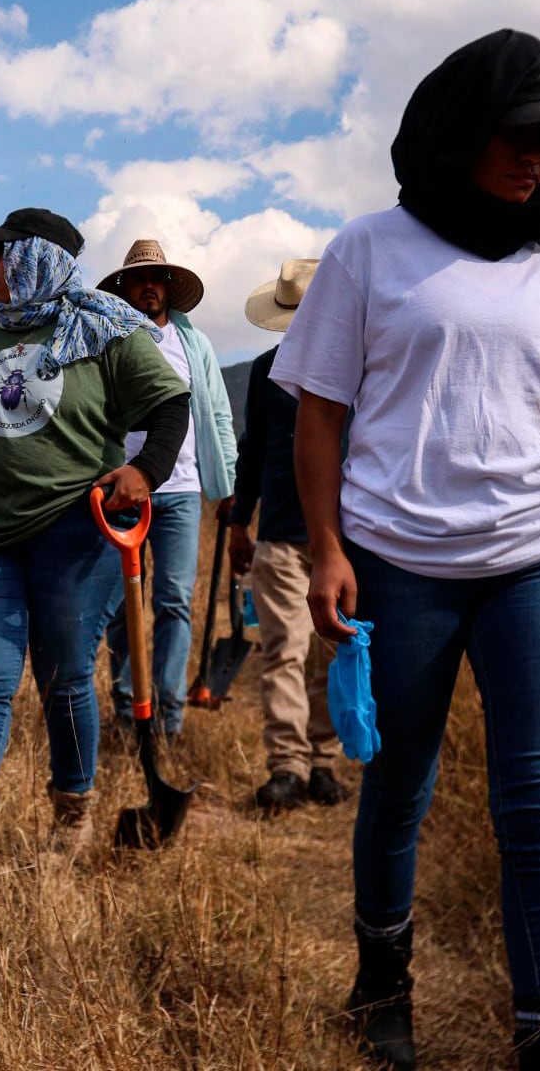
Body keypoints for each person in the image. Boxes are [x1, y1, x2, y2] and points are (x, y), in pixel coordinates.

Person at [273, 30, 540, 1071]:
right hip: (401, 561)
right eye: (514, 135)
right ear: (460, 136)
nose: (532, 157)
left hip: (539, 559)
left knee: (539, 803)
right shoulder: (370, 251)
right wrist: (326, 548)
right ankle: (382, 991)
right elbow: (319, 416)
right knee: (400, 785)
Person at [0, 208, 189, 873]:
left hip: (74, 527)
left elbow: (170, 404)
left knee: (64, 677)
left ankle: (71, 816)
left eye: (2, 257)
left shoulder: (108, 326)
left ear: (39, 258)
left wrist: (145, 472)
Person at [94, 240, 235, 738]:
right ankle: (129, 707)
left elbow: (217, 411)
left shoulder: (193, 344)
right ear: (124, 288)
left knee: (174, 600)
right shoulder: (106, 340)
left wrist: (229, 481)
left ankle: (168, 719)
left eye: (157, 279)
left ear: (169, 289)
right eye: (138, 279)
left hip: (182, 487)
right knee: (118, 602)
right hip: (120, 487)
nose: (148, 287)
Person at [230, 258, 348, 814]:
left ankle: (323, 761)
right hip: (278, 531)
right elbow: (253, 450)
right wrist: (238, 521)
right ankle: (288, 766)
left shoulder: (360, 368)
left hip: (344, 537)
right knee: (283, 651)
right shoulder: (264, 372)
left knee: (333, 653)